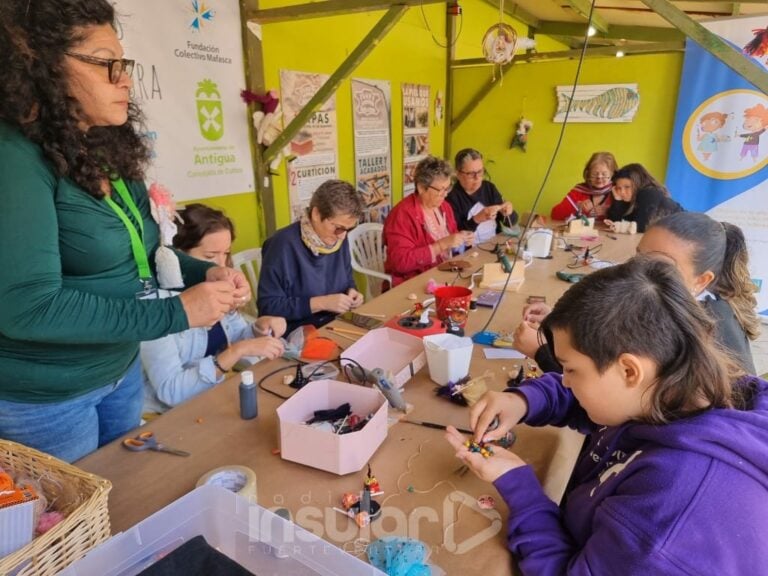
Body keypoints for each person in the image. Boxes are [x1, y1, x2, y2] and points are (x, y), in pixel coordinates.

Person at [0, 0, 250, 462]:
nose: (124, 78)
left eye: (124, 63)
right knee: (78, 530)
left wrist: (203, 275)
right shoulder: (14, 158)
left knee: (127, 497)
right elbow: (29, 308)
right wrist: (176, 313)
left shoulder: (105, 146)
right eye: (104, 63)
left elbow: (150, 251)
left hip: (119, 369)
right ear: (41, 65)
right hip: (49, 399)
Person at [446, 256, 768, 574]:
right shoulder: (679, 388)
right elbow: (586, 397)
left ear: (629, 370)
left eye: (571, 369)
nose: (566, 380)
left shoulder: (663, 528)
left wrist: (520, 487)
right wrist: (526, 400)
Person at [141, 204, 286, 414]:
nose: (222, 266)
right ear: (178, 257)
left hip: (210, 398)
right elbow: (172, 392)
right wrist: (238, 351)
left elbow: (236, 337)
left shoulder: (218, 289)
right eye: (209, 257)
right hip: (166, 416)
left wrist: (258, 330)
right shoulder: (157, 308)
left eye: (226, 253)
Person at [637, 212, 759, 374]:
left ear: (702, 280)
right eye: (637, 256)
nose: (636, 270)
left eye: (661, 266)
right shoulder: (699, 299)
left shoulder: (696, 330)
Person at [258, 180, 365, 334]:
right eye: (338, 227)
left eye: (349, 229)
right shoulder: (281, 245)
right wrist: (321, 303)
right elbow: (268, 306)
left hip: (336, 323)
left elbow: (347, 278)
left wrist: (352, 292)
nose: (342, 236)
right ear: (316, 214)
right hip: (296, 332)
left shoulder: (339, 237)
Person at [383, 156, 474, 287]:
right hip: (412, 283)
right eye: (440, 189)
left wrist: (462, 239)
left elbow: (452, 240)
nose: (445, 194)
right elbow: (400, 262)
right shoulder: (402, 215)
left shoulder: (444, 207)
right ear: (421, 187)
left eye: (447, 188)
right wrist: (440, 245)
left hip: (443, 274)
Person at [446, 148, 517, 242]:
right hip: (469, 251)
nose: (477, 178)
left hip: (494, 242)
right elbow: (455, 234)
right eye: (471, 173)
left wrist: (508, 212)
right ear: (458, 174)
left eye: (480, 171)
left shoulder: (489, 188)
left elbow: (510, 223)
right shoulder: (451, 197)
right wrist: (476, 219)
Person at [605, 163, 683, 232]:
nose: (622, 192)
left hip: (686, 230)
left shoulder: (649, 192)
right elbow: (614, 222)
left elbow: (642, 226)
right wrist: (618, 200)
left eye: (627, 187)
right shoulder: (630, 198)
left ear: (639, 183)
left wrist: (620, 226)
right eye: (619, 188)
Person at [550, 152, 617, 221]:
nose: (599, 177)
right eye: (594, 174)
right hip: (580, 232)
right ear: (588, 174)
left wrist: (608, 211)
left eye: (604, 174)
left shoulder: (617, 192)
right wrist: (577, 207)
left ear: (612, 174)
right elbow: (555, 214)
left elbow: (625, 220)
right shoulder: (578, 191)